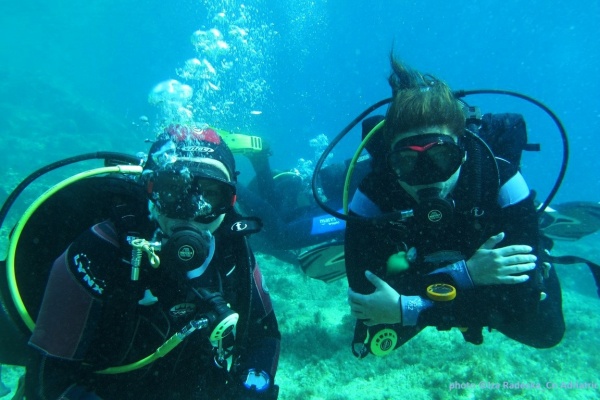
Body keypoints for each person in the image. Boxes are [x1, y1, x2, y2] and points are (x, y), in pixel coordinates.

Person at [24, 126, 280, 399]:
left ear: (230, 200)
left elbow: (264, 334)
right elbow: (48, 380)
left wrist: (253, 388)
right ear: (150, 189)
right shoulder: (102, 249)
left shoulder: (233, 249)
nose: (190, 212)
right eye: (173, 190)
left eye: (210, 194)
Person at [345, 57, 565, 357]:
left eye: (441, 158)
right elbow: (365, 297)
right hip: (447, 269)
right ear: (390, 161)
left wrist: (407, 307)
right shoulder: (373, 192)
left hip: (427, 278)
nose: (427, 178)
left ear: (462, 153)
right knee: (374, 331)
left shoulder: (499, 177)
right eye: (407, 161)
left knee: (545, 329)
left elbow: (520, 303)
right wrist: (467, 274)